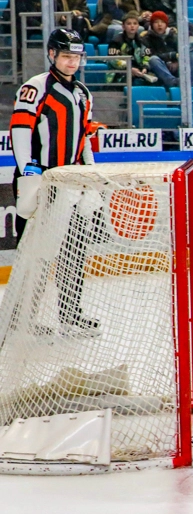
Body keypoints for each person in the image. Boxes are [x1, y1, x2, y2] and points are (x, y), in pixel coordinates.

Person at [9, 29, 99, 333]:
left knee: (74, 250)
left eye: (76, 57)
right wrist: (29, 171)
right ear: (52, 55)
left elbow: (84, 137)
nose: (72, 63)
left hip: (72, 183)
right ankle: (21, 319)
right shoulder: (35, 88)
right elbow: (20, 131)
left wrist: (91, 174)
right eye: (66, 56)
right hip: (42, 180)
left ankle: (71, 315)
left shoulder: (84, 93)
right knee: (33, 254)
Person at [139, 11, 193, 89]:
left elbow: (182, 52)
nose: (159, 25)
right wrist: (172, 56)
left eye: (162, 22)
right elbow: (150, 55)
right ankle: (173, 82)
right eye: (156, 22)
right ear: (152, 24)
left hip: (177, 65)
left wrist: (177, 62)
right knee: (153, 59)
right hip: (161, 66)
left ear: (166, 24)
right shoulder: (146, 38)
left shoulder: (174, 36)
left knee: (191, 57)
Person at [107, 12, 153, 85]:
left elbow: (147, 56)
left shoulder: (142, 41)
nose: (132, 26)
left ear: (138, 26)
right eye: (129, 24)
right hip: (121, 71)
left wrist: (145, 68)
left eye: (135, 23)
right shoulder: (116, 41)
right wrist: (130, 68)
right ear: (123, 26)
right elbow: (113, 60)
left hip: (139, 70)